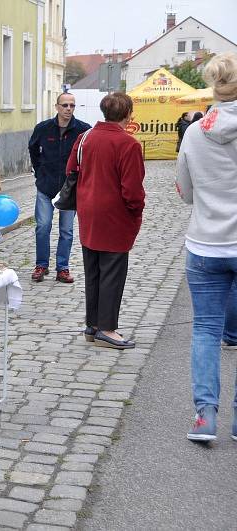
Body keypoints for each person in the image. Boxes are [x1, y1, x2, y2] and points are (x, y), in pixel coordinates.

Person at [175, 52, 237, 442]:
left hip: (205, 245)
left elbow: (184, 192)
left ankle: (205, 416)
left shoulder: (195, 132)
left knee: (206, 330)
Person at [67, 92, 145, 350]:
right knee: (112, 273)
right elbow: (132, 190)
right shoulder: (128, 144)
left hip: (88, 213)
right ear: (128, 114)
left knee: (93, 272)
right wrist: (136, 211)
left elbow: (71, 170)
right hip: (115, 216)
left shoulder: (85, 137)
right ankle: (107, 329)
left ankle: (93, 325)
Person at [28, 92, 92, 283]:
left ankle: (62, 268)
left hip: (69, 188)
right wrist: (39, 171)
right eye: (65, 105)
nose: (68, 109)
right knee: (43, 226)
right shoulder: (43, 128)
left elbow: (87, 156)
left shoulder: (83, 130)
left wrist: (81, 178)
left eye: (72, 105)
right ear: (56, 107)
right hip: (46, 186)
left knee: (66, 231)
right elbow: (32, 149)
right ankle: (41, 265)